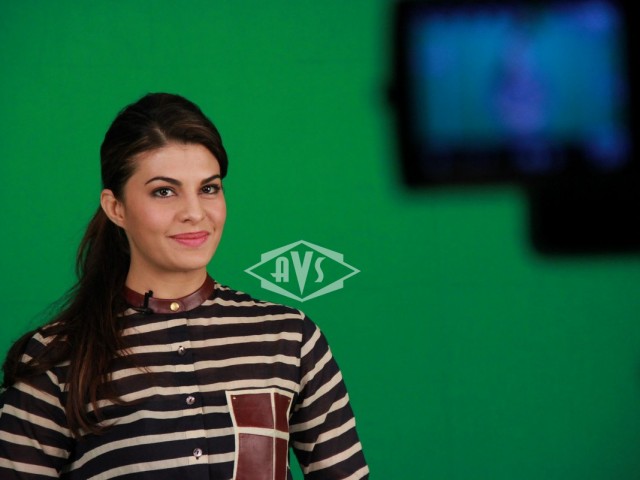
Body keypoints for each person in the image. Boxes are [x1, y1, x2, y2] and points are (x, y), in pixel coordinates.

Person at [0, 93, 369, 479]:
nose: (194, 212)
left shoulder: (290, 337)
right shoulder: (55, 357)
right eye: (164, 191)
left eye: (209, 188)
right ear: (115, 208)